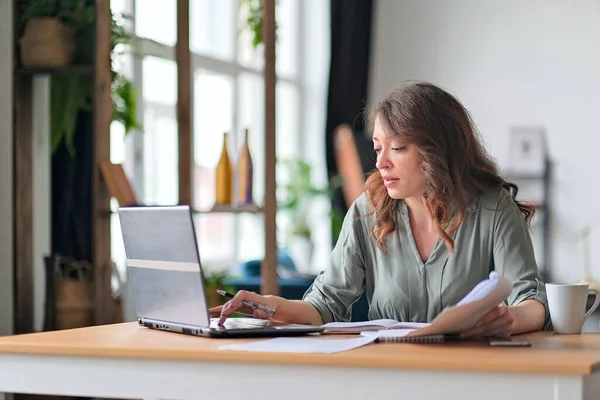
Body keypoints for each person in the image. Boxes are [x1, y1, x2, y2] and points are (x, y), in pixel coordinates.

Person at [211, 82, 551, 337]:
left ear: (439, 150)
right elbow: (325, 305)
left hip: (472, 373)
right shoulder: (368, 210)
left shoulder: (493, 209)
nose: (381, 162)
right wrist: (266, 304)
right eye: (377, 148)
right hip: (387, 372)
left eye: (398, 147)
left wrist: (510, 319)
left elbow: (532, 300)